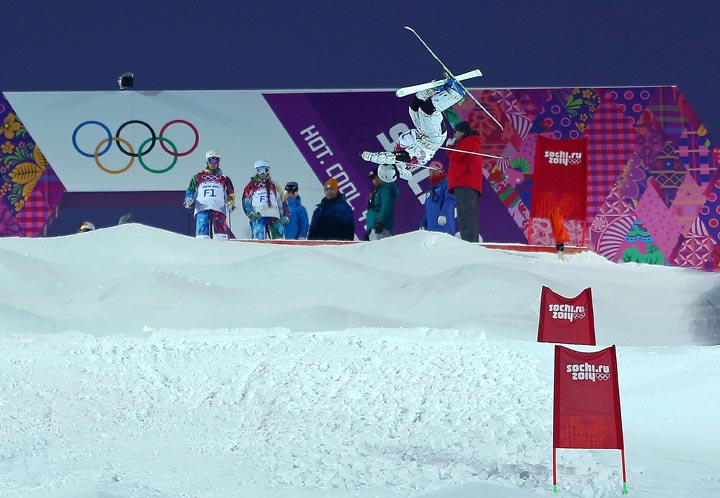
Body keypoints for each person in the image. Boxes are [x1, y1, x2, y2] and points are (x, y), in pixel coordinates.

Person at [360, 78, 464, 183]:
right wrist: (371, 157)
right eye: (386, 163)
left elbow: (391, 156)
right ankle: (455, 94)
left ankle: (436, 90)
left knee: (414, 108)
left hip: (423, 134)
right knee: (426, 111)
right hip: (432, 139)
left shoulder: (399, 159)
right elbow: (389, 157)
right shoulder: (403, 162)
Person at [183, 150, 236, 240]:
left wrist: (231, 202)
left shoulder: (224, 178)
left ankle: (222, 250)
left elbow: (230, 192)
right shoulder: (197, 177)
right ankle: (202, 250)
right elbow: (191, 190)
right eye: (211, 160)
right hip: (202, 208)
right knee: (202, 235)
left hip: (218, 208)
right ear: (207, 161)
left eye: (216, 160)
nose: (213, 163)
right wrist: (188, 199)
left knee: (220, 236)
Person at [446, 121, 483, 243]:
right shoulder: (468, 143)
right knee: (464, 214)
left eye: (456, 131)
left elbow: (456, 156)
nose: (455, 134)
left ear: (462, 132)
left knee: (467, 214)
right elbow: (455, 156)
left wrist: (450, 147)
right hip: (465, 183)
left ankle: (470, 241)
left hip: (466, 183)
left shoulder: (469, 142)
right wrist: (450, 149)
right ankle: (468, 240)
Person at [241, 159, 286, 240]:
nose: (262, 173)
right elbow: (246, 200)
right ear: (256, 171)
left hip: (273, 215)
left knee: (278, 238)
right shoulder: (251, 185)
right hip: (259, 215)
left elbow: (282, 200)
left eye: (265, 170)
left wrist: (285, 215)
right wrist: (250, 213)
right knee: (259, 237)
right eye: (260, 170)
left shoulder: (274, 185)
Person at [420, 164, 456, 235]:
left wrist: (444, 214)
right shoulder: (430, 190)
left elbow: (450, 200)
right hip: (431, 229)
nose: (432, 171)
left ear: (440, 171)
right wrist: (423, 224)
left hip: (444, 227)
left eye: (434, 169)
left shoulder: (446, 182)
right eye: (430, 169)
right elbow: (427, 209)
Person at [365, 167, 399, 241]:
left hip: (381, 227)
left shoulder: (386, 189)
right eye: (373, 179)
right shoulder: (378, 190)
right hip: (373, 226)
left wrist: (380, 222)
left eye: (377, 177)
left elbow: (386, 207)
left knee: (382, 250)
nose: (375, 180)